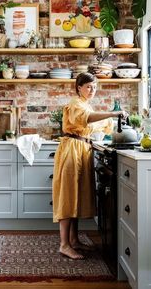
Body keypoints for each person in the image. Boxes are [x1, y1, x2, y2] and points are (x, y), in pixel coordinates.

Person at [52, 72, 128, 260]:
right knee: (68, 196)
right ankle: (64, 245)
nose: (92, 90)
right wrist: (113, 112)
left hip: (82, 149)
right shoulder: (76, 104)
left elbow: (97, 122)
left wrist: (114, 120)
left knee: (75, 195)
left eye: (94, 87)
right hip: (72, 150)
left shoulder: (85, 104)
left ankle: (74, 240)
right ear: (79, 87)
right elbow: (87, 118)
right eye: (88, 87)